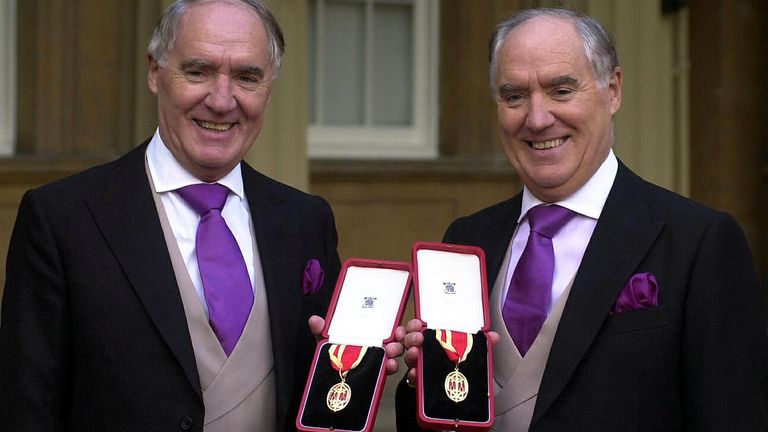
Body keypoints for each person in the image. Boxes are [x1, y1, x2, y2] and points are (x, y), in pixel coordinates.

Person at [0, 1, 398, 430]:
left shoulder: (305, 220)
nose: (223, 100)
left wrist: (362, 370)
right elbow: (26, 407)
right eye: (198, 71)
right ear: (154, 72)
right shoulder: (63, 219)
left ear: (269, 86)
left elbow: (323, 400)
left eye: (247, 77)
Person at [396, 8, 768, 431]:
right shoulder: (467, 238)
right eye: (514, 95)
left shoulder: (697, 243)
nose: (537, 118)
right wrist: (417, 382)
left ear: (613, 91)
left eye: (561, 90)